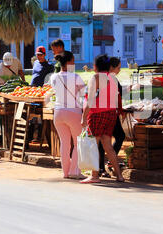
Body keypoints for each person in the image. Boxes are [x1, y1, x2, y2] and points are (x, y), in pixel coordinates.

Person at [81, 54, 125, 184]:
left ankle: (95, 175)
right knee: (107, 145)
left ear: (95, 66)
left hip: (97, 114)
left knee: (94, 145)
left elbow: (90, 100)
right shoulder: (113, 79)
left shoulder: (95, 78)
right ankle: (119, 175)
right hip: (111, 114)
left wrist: (84, 117)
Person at [49, 51, 86, 179]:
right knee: (78, 143)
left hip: (58, 112)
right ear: (69, 62)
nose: (74, 63)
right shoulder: (76, 77)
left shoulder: (53, 77)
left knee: (64, 143)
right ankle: (75, 171)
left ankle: (66, 172)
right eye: (73, 60)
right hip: (73, 111)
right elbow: (84, 94)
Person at [97, 57, 126, 177]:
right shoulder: (110, 79)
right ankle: (106, 165)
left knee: (103, 141)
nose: (119, 70)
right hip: (108, 114)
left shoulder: (103, 78)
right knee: (117, 136)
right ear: (111, 68)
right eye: (118, 67)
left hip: (103, 113)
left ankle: (101, 167)